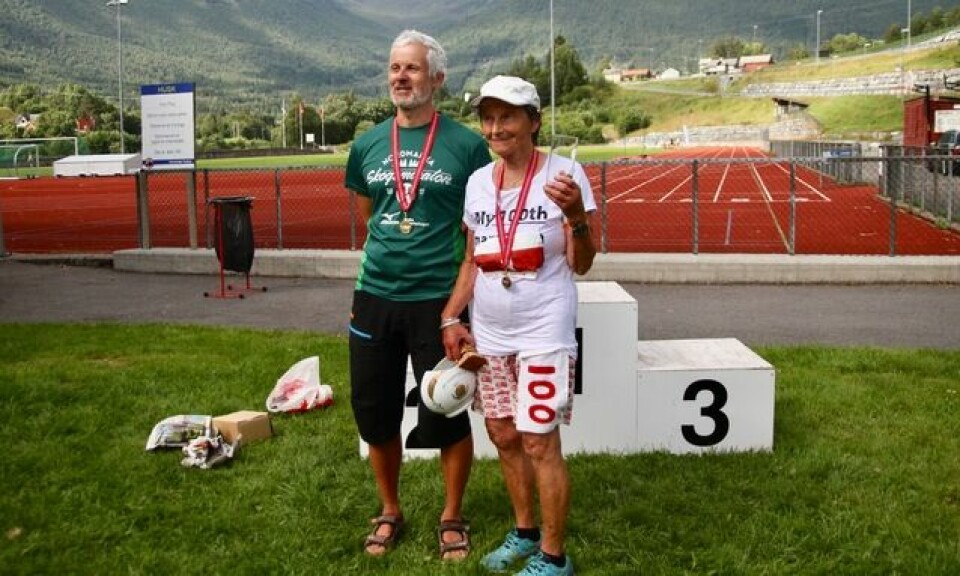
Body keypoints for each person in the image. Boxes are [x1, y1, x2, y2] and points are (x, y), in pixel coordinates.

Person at [343, 29, 491, 560]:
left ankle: (452, 514)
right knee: (374, 410)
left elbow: (475, 234)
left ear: (437, 79)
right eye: (394, 68)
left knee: (447, 410)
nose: (400, 77)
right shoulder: (365, 144)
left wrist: (455, 308)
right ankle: (390, 509)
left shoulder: (467, 145)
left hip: (438, 302)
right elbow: (370, 214)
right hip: (376, 296)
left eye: (411, 68)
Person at [440, 75, 597, 576]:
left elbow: (584, 262)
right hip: (491, 330)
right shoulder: (477, 183)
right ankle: (524, 532)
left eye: (507, 115)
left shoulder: (566, 174)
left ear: (534, 121)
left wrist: (574, 214)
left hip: (543, 328)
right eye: (488, 117)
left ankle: (554, 557)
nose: (495, 126)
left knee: (538, 440)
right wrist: (451, 315)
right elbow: (471, 261)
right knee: (504, 434)